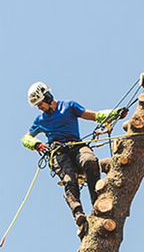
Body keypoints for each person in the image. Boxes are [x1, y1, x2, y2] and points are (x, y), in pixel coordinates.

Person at [21, 82, 126, 238]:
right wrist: (36, 144)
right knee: (69, 179)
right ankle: (78, 214)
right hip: (58, 153)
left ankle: (97, 202)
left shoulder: (69, 107)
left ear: (48, 98)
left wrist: (115, 113)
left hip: (76, 145)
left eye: (40, 104)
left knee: (90, 161)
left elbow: (94, 116)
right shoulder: (40, 120)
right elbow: (26, 138)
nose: (39, 108)